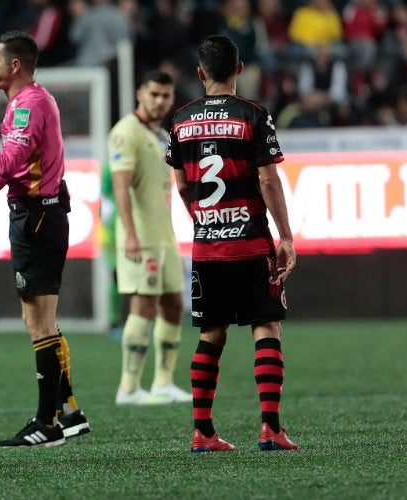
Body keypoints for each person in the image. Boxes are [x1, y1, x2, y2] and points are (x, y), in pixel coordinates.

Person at [0, 30, 90, 448]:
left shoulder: (29, 105)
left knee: (39, 322)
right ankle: (70, 413)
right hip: (36, 215)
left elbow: (8, 161)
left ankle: (48, 424)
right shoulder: (27, 102)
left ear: (14, 66)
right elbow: (12, 168)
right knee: (40, 320)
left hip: (37, 219)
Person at [165, 35, 300, 452]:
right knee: (266, 325)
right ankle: (270, 429)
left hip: (208, 247)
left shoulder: (181, 120)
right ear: (240, 69)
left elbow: (183, 183)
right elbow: (267, 179)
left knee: (211, 334)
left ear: (200, 73)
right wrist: (287, 236)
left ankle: (203, 432)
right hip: (251, 244)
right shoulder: (254, 115)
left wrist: (204, 221)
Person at [108, 69, 192, 406]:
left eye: (166, 96)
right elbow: (120, 187)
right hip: (140, 236)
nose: (159, 101)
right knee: (143, 304)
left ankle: (162, 382)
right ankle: (128, 388)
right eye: (154, 94)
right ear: (140, 94)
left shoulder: (160, 135)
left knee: (174, 303)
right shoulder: (125, 132)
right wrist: (129, 234)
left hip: (164, 235)